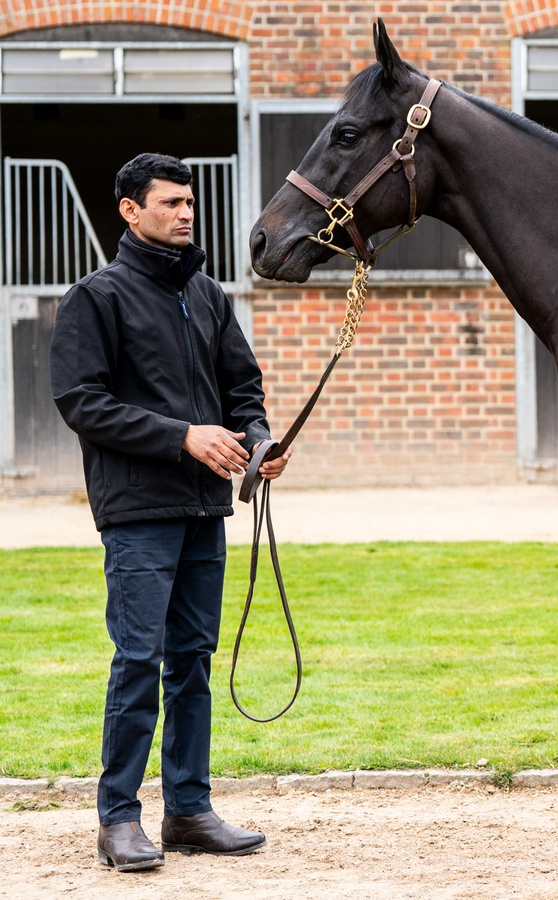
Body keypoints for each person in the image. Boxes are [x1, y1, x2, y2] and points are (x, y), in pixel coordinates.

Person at [51, 153, 292, 872]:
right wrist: (182, 436)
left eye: (189, 202)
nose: (186, 213)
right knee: (138, 660)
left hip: (204, 508)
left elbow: (242, 389)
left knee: (192, 660)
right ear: (131, 210)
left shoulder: (208, 295)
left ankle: (189, 810)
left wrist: (258, 442)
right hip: (136, 511)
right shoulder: (95, 297)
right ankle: (119, 820)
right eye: (170, 203)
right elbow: (81, 402)